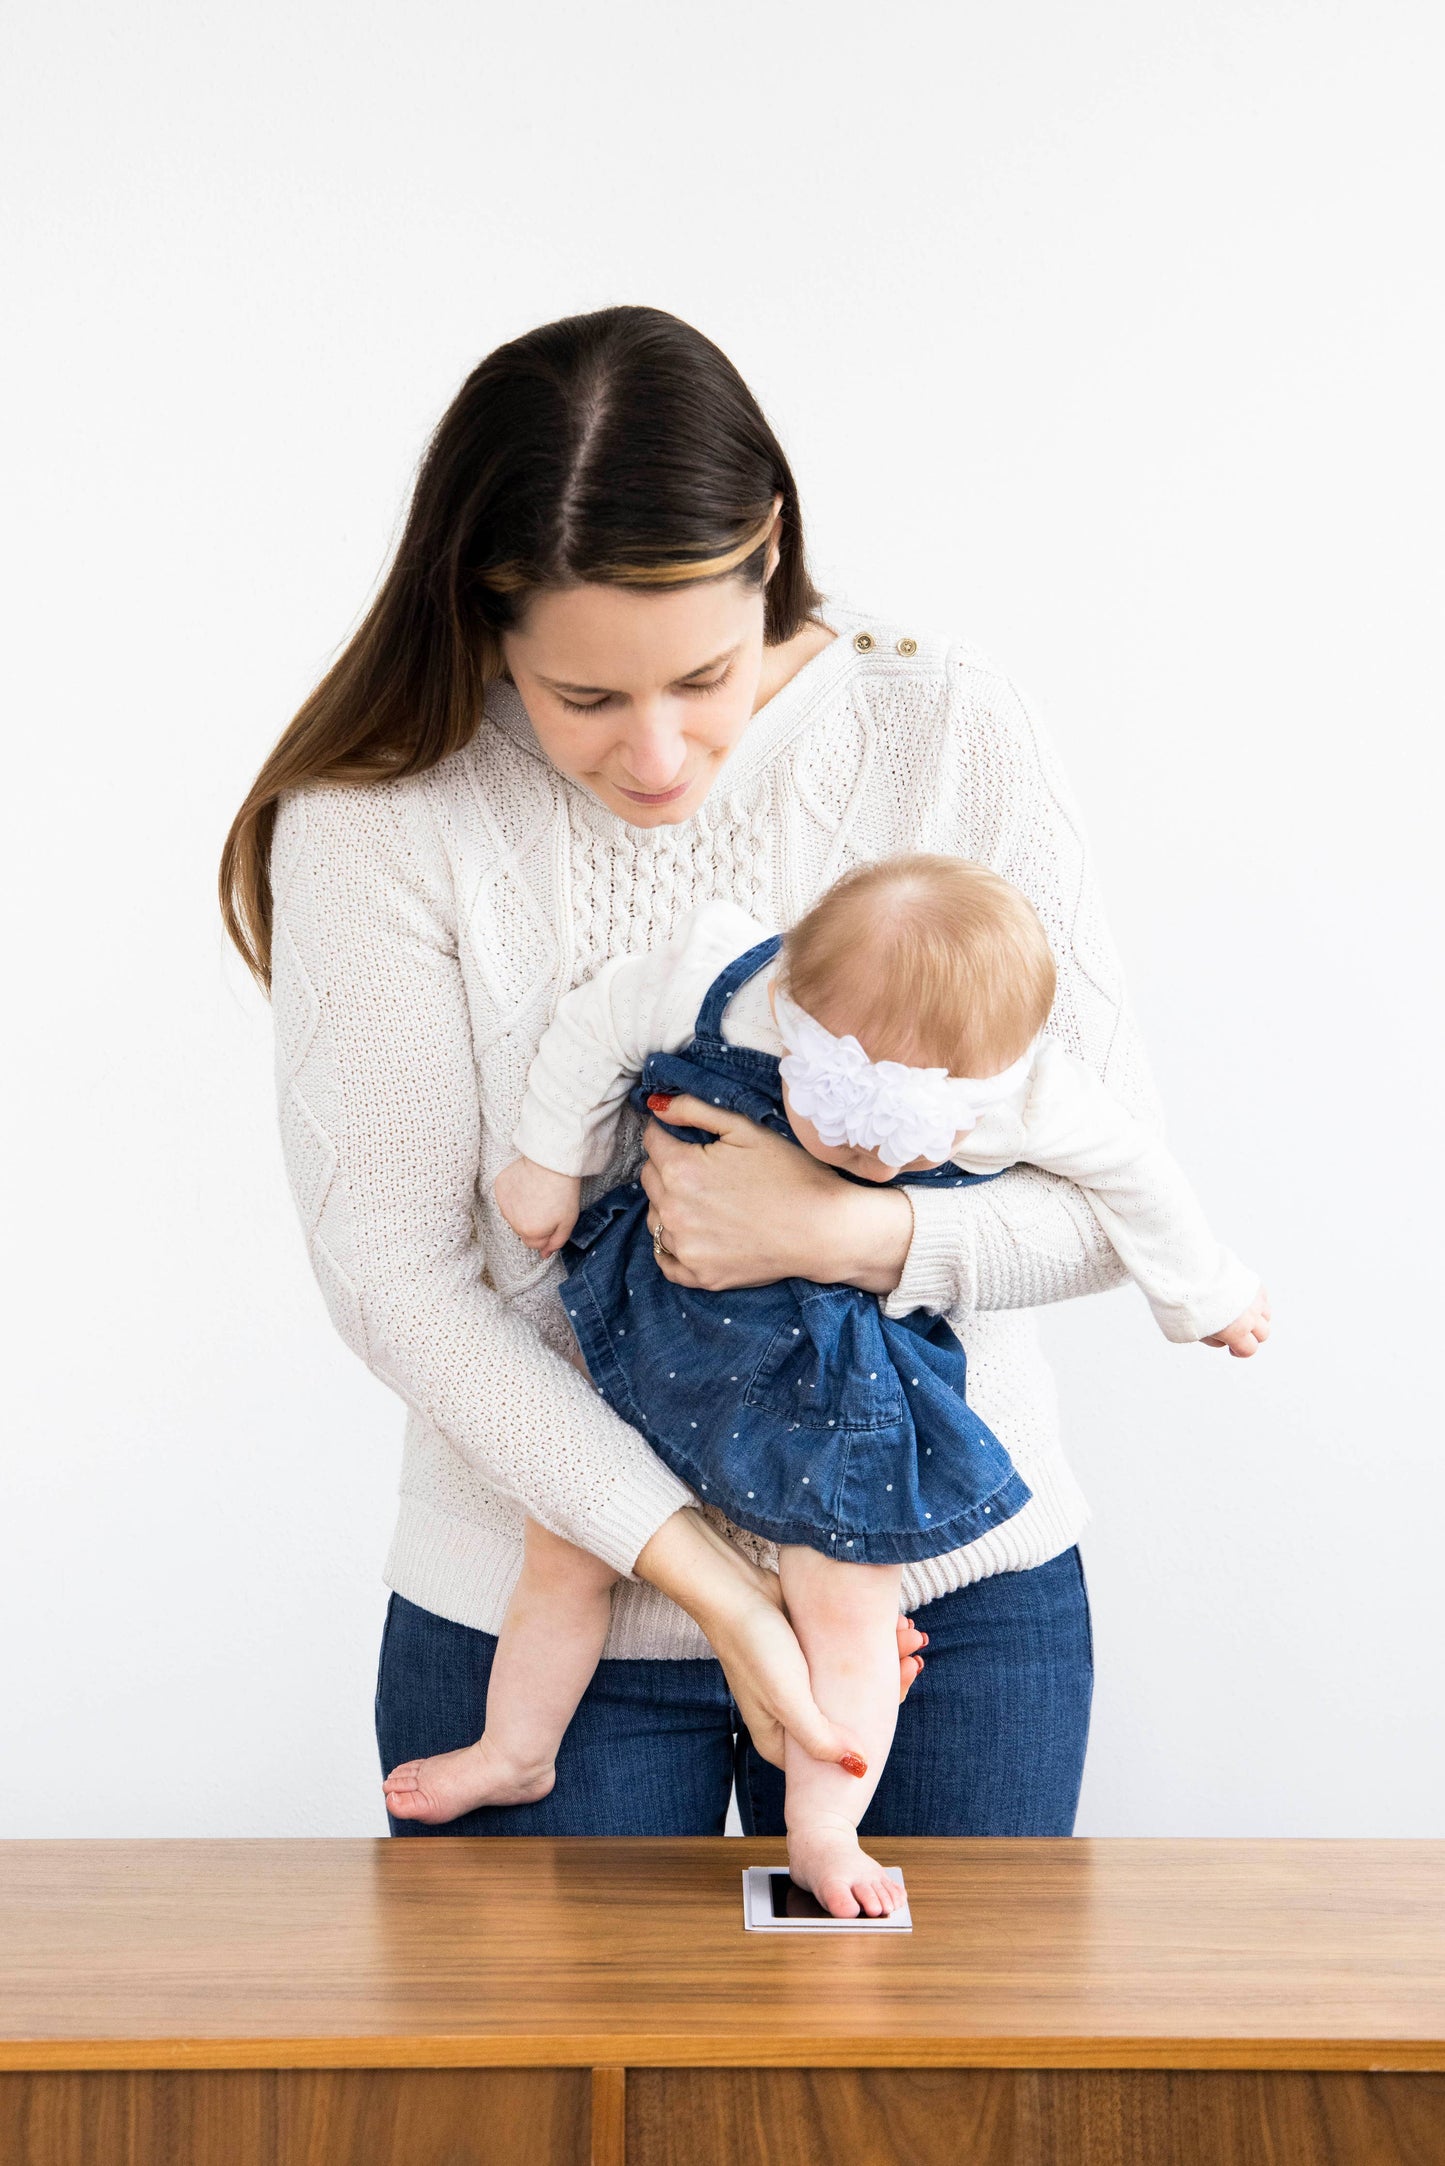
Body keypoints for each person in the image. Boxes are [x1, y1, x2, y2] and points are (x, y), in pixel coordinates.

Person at [220, 302, 1209, 1846]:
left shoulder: (937, 726)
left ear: (769, 557)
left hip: (947, 1598)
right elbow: (393, 1279)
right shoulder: (381, 818)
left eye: (705, 676)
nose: (664, 759)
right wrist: (717, 1589)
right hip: (545, 1598)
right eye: (586, 700)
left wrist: (844, 1235)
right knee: (545, 2100)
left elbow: (1104, 1195)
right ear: (484, 625)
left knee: (936, 2093)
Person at [381, 856, 1267, 1915]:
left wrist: (1202, 1293)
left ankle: (823, 1829)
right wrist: (547, 1159)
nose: (854, 1147)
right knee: (567, 1540)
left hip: (835, 1387)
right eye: (834, 1103)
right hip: (660, 1336)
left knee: (849, 1607)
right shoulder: (726, 977)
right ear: (794, 1000)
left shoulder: (1020, 1090)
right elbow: (596, 1025)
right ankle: (515, 1749)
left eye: (894, 1135)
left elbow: (1133, 1175)